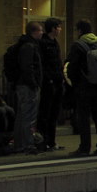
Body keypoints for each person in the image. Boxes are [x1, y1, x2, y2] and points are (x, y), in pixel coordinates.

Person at [66, 19, 97, 156]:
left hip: (84, 87)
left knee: (83, 118)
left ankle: (84, 147)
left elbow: (72, 68)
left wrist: (74, 83)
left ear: (80, 31)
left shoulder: (78, 46)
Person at [12, 21, 44, 154]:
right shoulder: (30, 46)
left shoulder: (23, 44)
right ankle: (27, 144)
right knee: (29, 116)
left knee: (22, 115)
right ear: (34, 32)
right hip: (28, 85)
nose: (42, 33)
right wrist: (34, 83)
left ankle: (19, 143)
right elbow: (28, 67)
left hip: (22, 84)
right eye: (40, 31)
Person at [38, 17, 65, 150]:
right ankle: (44, 141)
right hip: (49, 83)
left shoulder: (55, 43)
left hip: (57, 81)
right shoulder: (43, 43)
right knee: (45, 113)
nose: (60, 29)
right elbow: (43, 64)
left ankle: (52, 141)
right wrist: (48, 79)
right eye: (59, 27)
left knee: (54, 113)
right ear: (53, 28)